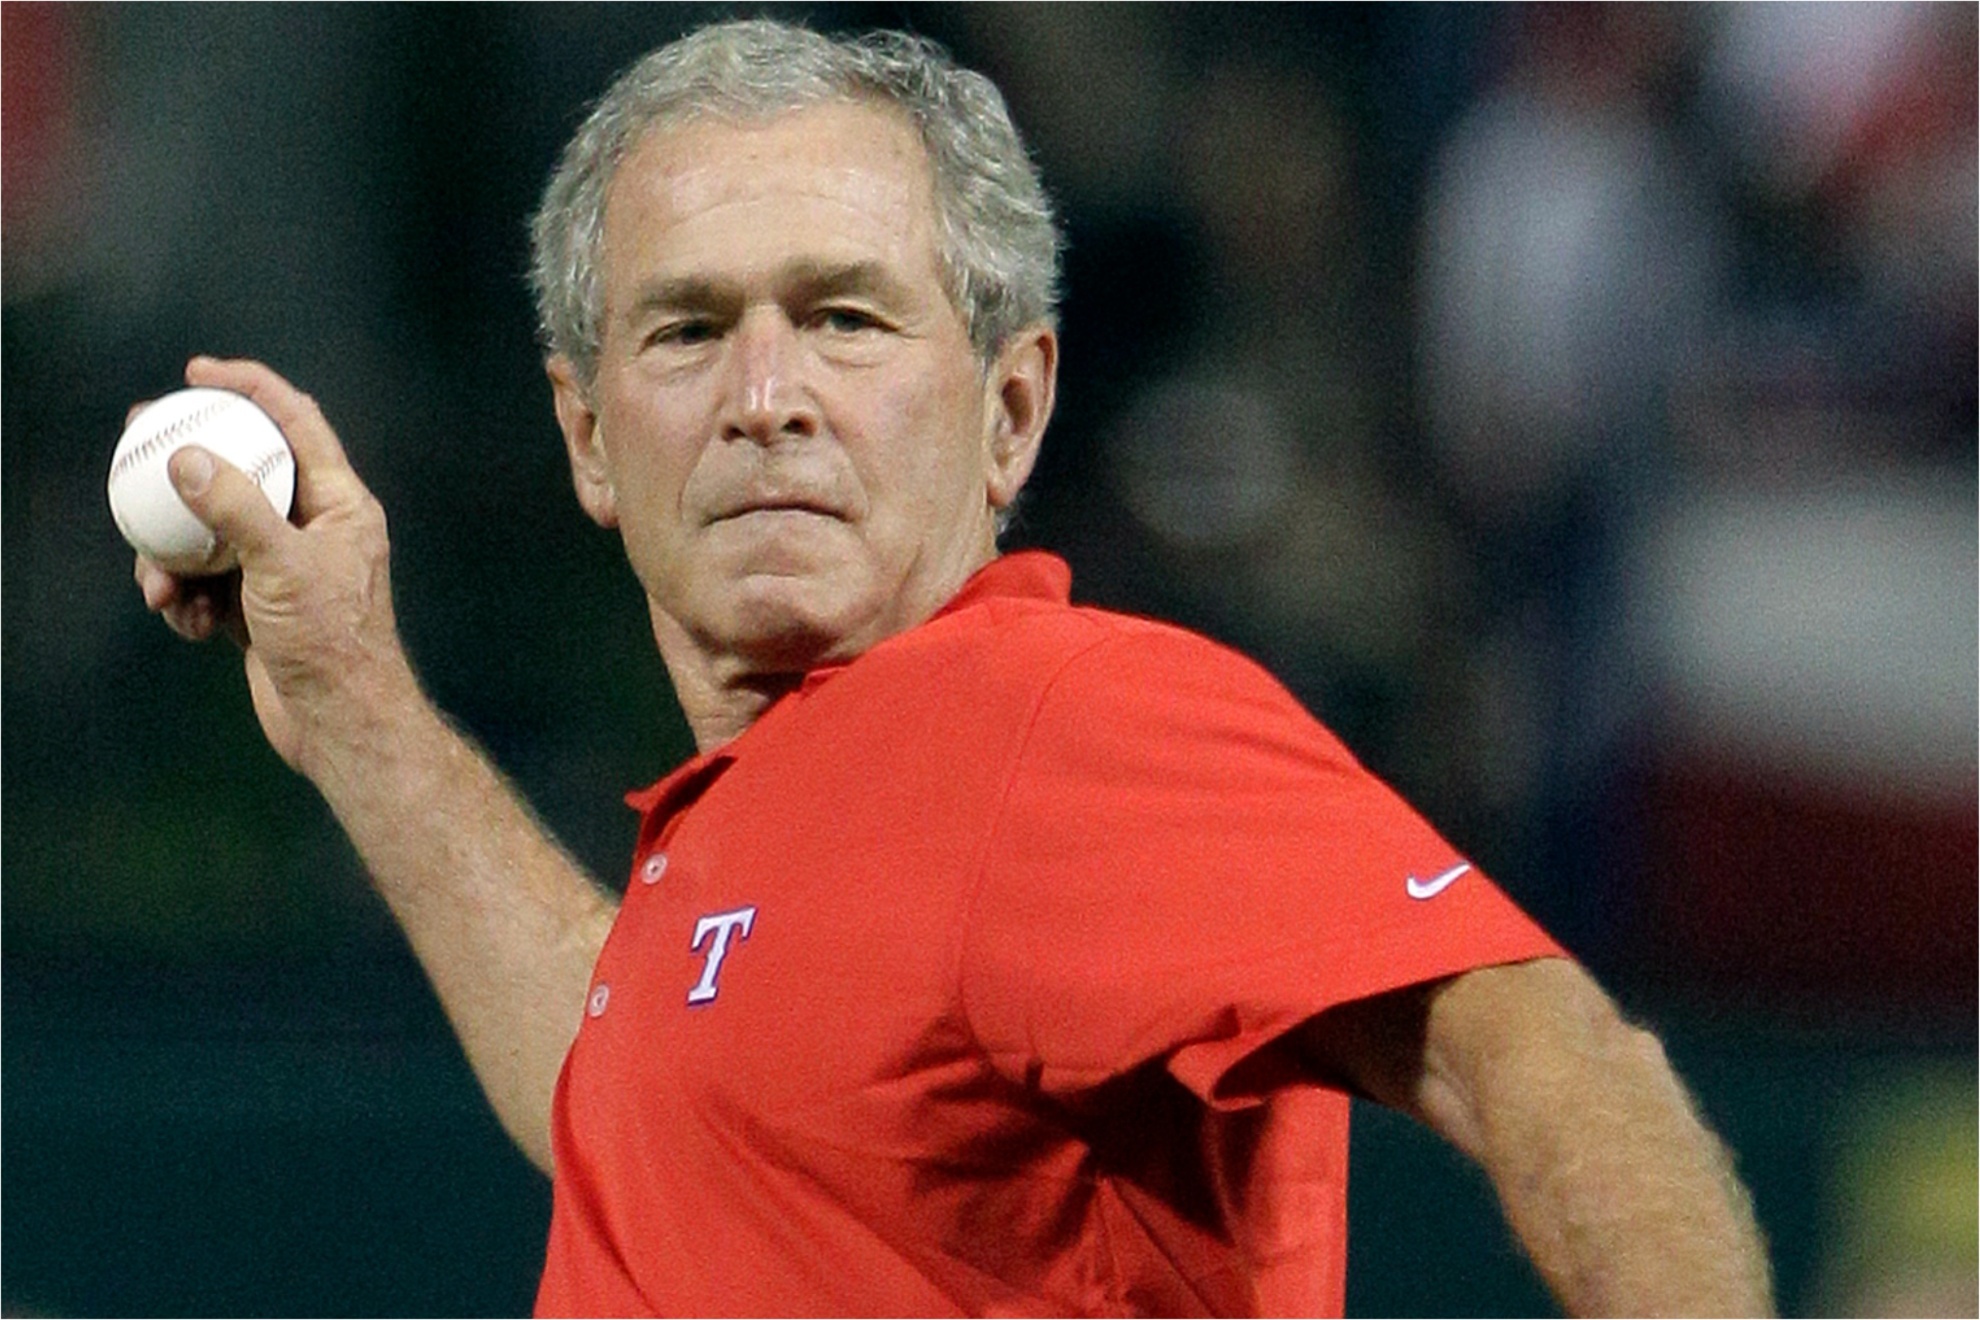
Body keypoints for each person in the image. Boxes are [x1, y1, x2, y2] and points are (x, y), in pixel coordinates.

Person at [135, 19, 1773, 1318]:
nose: (764, 393)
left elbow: (1547, 1055)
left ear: (1009, 413)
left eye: (846, 319)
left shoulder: (1059, 720)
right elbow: (637, 1116)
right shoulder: (763, 821)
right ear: (587, 433)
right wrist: (355, 705)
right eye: (688, 329)